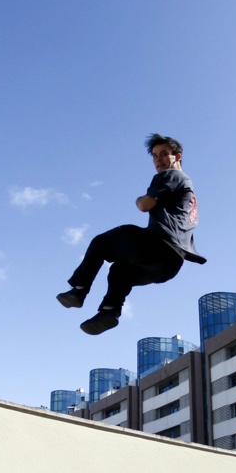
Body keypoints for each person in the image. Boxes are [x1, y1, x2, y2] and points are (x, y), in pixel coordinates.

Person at [57, 133, 205, 334]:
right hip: (170, 265)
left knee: (101, 243)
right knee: (120, 271)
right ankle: (109, 312)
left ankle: (79, 290)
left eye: (164, 154)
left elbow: (145, 205)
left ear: (177, 157)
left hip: (158, 246)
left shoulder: (172, 175)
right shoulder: (189, 191)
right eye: (154, 156)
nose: (158, 160)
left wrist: (139, 199)